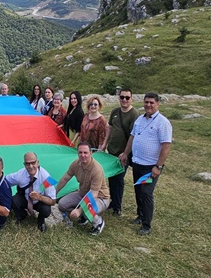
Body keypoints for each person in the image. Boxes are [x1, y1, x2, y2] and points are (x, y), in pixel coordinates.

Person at [119, 92, 172, 235]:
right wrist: (125, 153)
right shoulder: (140, 120)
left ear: (157, 104)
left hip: (151, 166)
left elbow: (166, 145)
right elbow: (132, 137)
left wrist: (158, 166)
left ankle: (146, 225)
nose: (148, 105)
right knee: (138, 191)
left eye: (151, 103)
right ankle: (140, 215)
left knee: (146, 193)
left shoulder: (162, 122)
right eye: (146, 102)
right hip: (137, 163)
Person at [55, 142, 110, 236]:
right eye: (80, 152)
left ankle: (98, 222)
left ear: (90, 153)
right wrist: (54, 194)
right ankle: (84, 217)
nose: (83, 155)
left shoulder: (97, 169)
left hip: (100, 197)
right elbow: (65, 178)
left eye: (85, 153)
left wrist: (79, 210)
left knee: (86, 209)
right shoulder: (76, 164)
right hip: (82, 193)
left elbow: (94, 194)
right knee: (62, 204)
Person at [104, 88, 139, 216]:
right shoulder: (114, 111)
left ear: (131, 99)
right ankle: (113, 202)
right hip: (111, 151)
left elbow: (133, 136)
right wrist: (104, 144)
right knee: (112, 178)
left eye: (127, 98)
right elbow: (110, 129)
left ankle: (117, 208)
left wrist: (125, 153)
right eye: (122, 97)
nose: (124, 100)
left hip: (123, 154)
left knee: (119, 179)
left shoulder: (134, 114)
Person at [5, 152, 57, 232]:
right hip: (25, 199)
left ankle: (41, 220)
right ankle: (21, 215)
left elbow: (53, 201)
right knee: (13, 201)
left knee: (46, 210)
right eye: (27, 164)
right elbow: (5, 181)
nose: (30, 166)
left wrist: (39, 197)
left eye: (33, 163)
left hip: (39, 202)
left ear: (38, 162)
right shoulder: (20, 174)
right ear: (24, 164)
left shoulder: (46, 178)